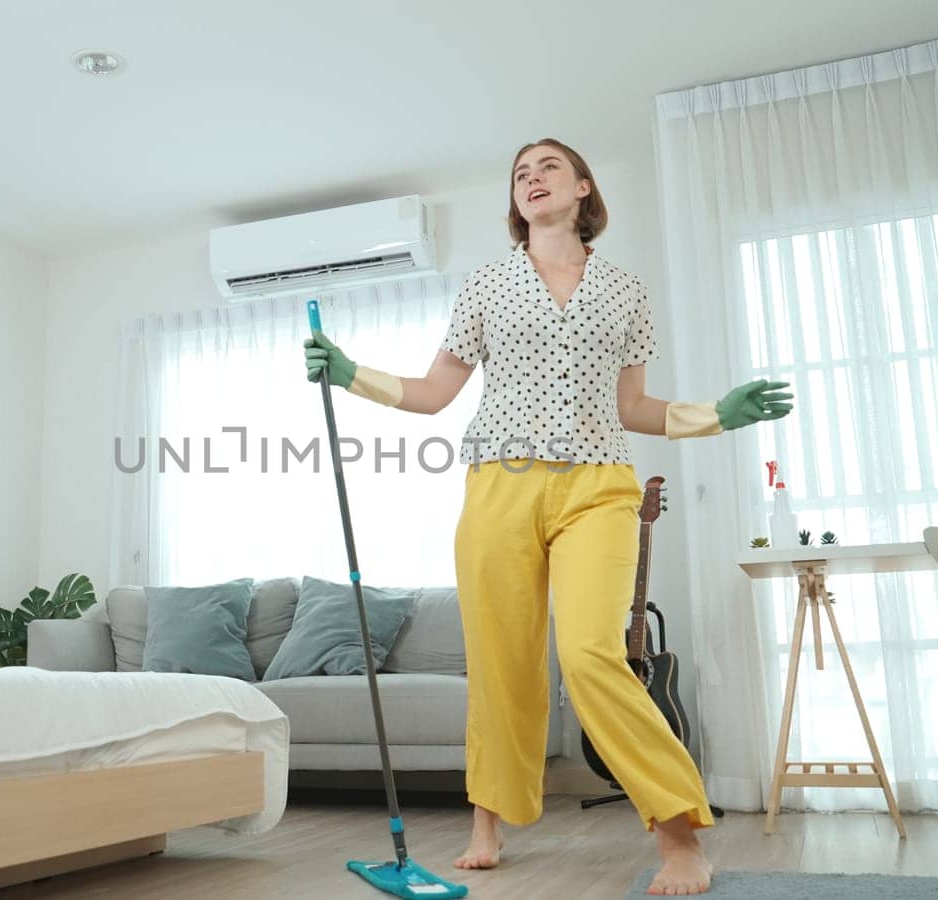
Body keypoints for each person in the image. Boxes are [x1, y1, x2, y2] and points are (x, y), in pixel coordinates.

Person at [303, 139, 792, 896]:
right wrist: (350, 373)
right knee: (500, 664)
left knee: (593, 655)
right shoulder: (487, 285)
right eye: (520, 174)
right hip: (500, 487)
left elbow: (631, 406)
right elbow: (435, 394)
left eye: (548, 168)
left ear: (584, 188)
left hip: (597, 487)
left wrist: (715, 415)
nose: (532, 179)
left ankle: (680, 836)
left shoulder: (626, 290)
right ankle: (487, 824)